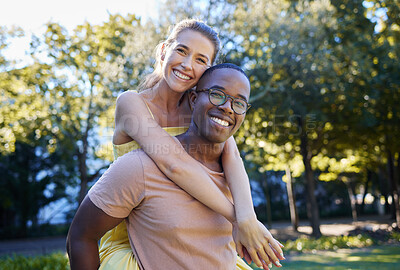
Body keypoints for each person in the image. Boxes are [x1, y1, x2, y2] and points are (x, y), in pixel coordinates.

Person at [93, 19, 283, 269]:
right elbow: (174, 164)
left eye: (200, 60)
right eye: (181, 51)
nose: (187, 64)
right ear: (163, 51)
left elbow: (234, 159)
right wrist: (237, 219)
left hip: (188, 235)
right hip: (135, 236)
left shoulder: (200, 109)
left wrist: (249, 218)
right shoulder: (132, 104)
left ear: (208, 71)